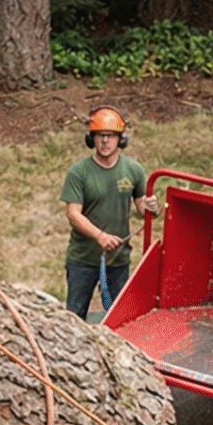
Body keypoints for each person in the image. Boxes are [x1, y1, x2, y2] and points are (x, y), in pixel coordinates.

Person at [61, 107, 149, 319]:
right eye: (100, 135)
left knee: (118, 318)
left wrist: (151, 208)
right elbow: (73, 214)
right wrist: (100, 236)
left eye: (111, 136)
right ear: (91, 139)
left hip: (118, 259)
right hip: (83, 258)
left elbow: (142, 209)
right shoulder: (79, 172)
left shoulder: (134, 170)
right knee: (75, 317)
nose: (105, 141)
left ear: (121, 139)